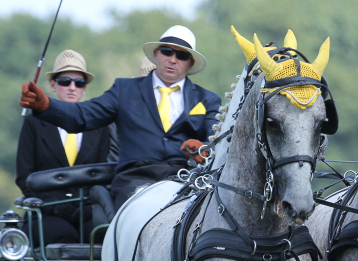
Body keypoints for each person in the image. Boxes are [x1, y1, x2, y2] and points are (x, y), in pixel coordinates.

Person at [19, 25, 221, 209]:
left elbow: (217, 143)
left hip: (185, 181)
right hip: (135, 181)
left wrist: (203, 147)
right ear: (156, 54)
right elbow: (82, 116)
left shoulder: (207, 100)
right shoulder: (124, 90)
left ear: (190, 63)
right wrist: (46, 104)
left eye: (182, 55)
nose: (173, 59)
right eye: (167, 52)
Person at [16, 49, 120, 245]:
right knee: (64, 236)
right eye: (65, 81)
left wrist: (88, 207)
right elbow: (24, 177)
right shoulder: (34, 124)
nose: (72, 87)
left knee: (106, 239)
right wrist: (55, 206)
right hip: (46, 213)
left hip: (87, 212)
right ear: (53, 85)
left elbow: (105, 175)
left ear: (85, 88)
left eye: (79, 83)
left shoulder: (101, 126)